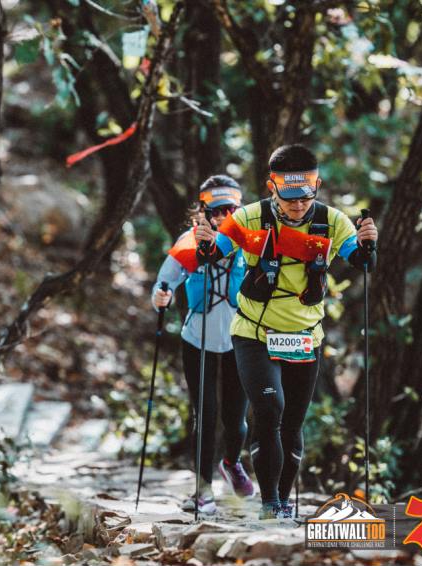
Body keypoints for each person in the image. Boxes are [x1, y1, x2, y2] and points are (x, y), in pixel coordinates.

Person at [194, 144, 378, 519]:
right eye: (290, 199)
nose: (298, 207)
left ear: (317, 186)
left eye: (305, 198)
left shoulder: (332, 221)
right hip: (254, 333)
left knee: (292, 423)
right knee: (269, 409)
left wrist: (368, 244)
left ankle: (281, 501)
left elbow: (360, 262)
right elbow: (215, 255)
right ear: (272, 187)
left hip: (305, 336)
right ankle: (269, 504)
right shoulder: (248, 217)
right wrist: (204, 243)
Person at [151, 174, 255, 517]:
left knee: (236, 418)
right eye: (217, 210)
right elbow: (163, 283)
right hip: (197, 340)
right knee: (205, 415)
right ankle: (202, 492)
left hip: (240, 340)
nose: (224, 217)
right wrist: (161, 296)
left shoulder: (249, 243)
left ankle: (231, 462)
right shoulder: (188, 242)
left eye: (231, 210)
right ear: (204, 211)